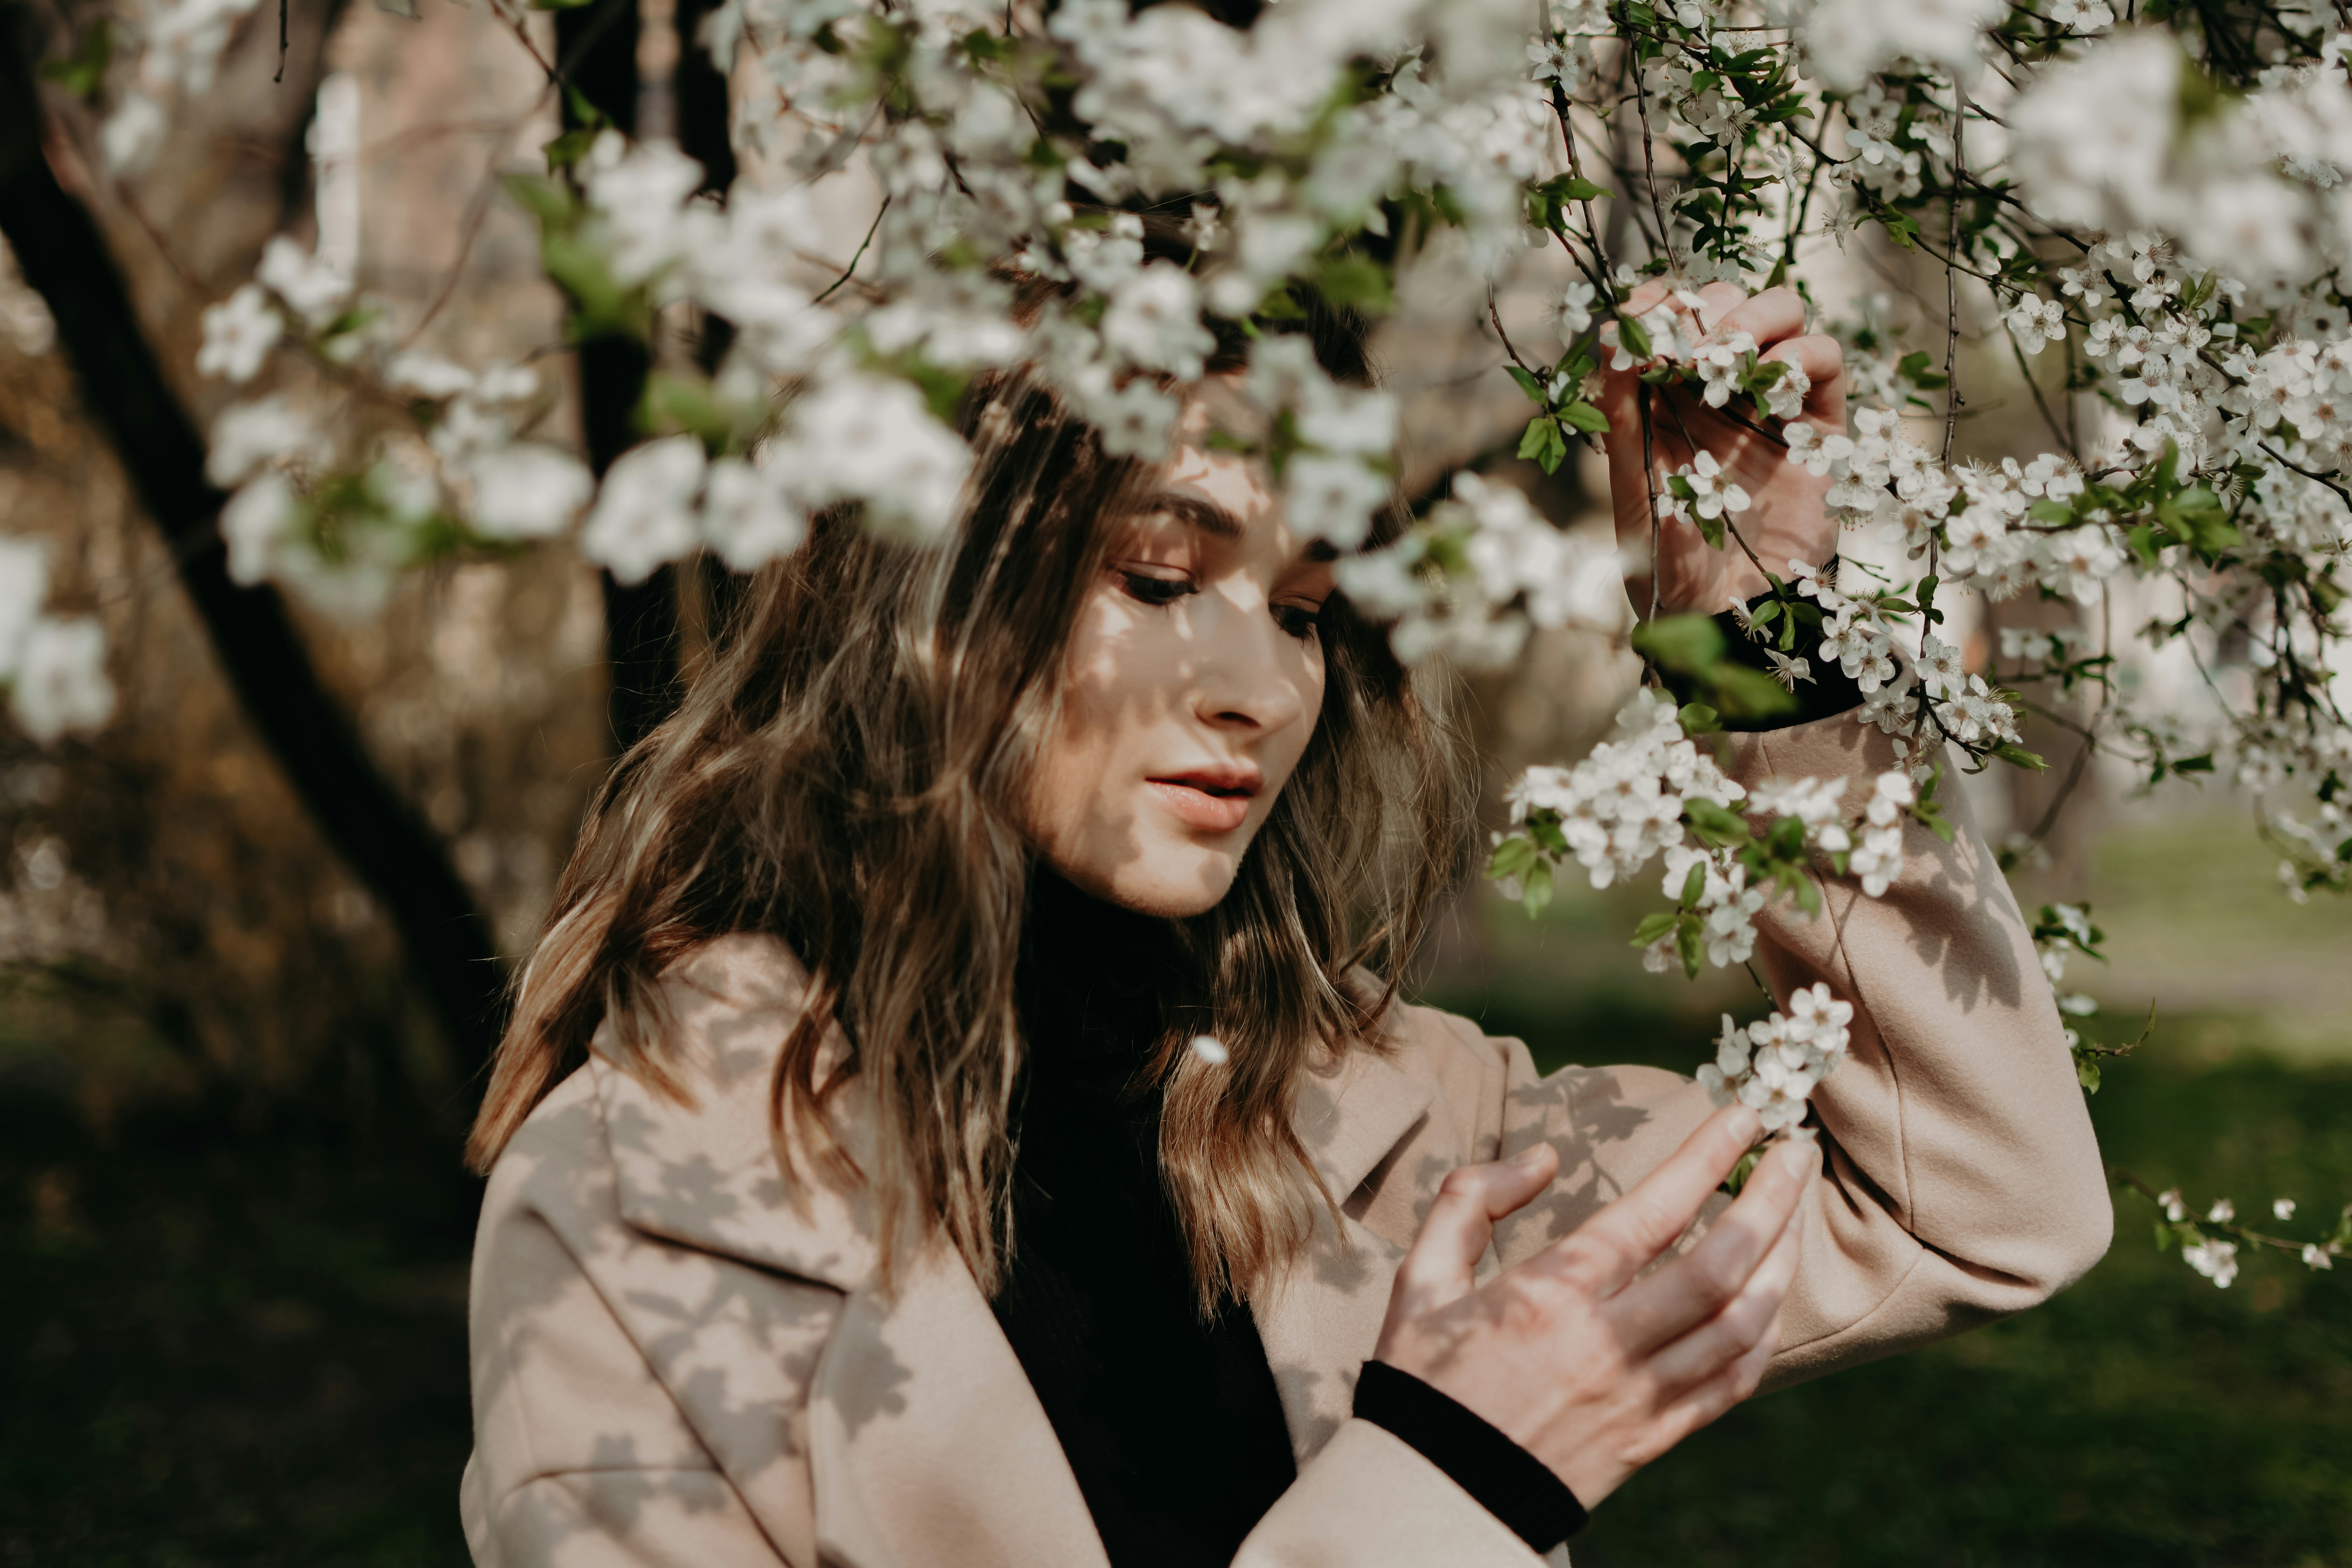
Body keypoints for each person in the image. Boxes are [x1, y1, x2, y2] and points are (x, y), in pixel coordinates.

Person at [456, 278, 2111, 1568]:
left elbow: (1977, 1203)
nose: (1259, 687)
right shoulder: (645, 1202)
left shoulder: (1394, 1126)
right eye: (1158, 580)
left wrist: (1753, 648)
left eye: (1306, 609)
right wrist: (1451, 1475)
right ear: (921, 598)